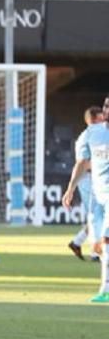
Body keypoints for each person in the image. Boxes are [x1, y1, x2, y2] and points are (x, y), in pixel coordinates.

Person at [63, 96, 109, 303]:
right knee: (99, 245)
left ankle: (105, 289)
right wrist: (70, 188)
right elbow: (82, 163)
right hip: (97, 197)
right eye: (106, 105)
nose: (107, 109)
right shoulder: (91, 134)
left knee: (107, 241)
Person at [68, 106, 106, 261]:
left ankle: (77, 242)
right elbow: (84, 162)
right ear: (96, 119)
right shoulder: (87, 136)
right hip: (88, 178)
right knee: (96, 214)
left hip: (98, 178)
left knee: (100, 214)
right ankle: (96, 252)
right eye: (102, 116)